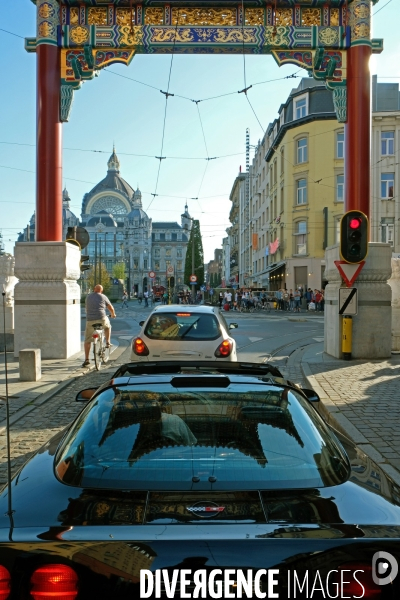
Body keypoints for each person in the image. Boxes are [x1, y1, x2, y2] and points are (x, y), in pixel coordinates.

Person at [82, 284, 116, 367]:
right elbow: (110, 307)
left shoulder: (88, 297)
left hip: (90, 319)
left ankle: (86, 359)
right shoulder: (103, 296)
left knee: (87, 340)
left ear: (94, 289)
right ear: (101, 291)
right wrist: (113, 314)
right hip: (101, 317)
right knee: (108, 327)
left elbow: (86, 309)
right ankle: (108, 342)